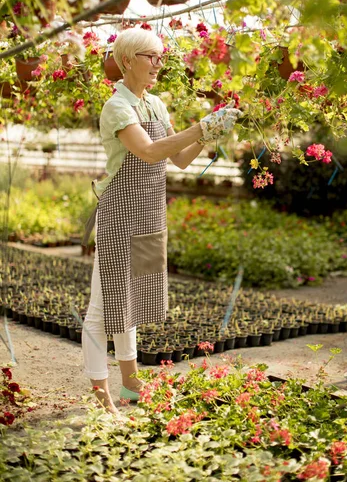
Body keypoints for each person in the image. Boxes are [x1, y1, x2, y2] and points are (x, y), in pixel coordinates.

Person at [82, 28, 241, 414]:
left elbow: (181, 159)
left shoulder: (155, 104)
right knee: (103, 308)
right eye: (150, 57)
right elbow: (151, 151)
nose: (158, 64)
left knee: (131, 300)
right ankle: (101, 395)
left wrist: (211, 132)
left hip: (149, 215)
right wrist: (200, 128)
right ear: (126, 61)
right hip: (121, 216)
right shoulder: (117, 107)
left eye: (161, 57)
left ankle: (131, 383)